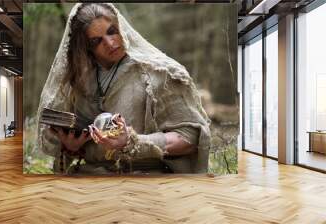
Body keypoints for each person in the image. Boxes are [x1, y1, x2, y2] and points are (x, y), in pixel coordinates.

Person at [37, 3, 211, 174]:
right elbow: (84, 148)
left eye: (112, 31)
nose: (110, 42)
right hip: (90, 177)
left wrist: (132, 141)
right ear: (86, 47)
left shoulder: (159, 73)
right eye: (97, 41)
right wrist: (73, 146)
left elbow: (190, 138)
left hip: (144, 178)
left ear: (121, 27)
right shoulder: (79, 82)